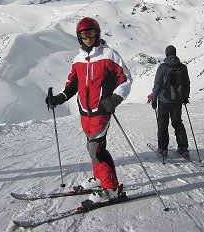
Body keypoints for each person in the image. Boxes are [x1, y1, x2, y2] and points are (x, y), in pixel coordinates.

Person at [45, 17, 132, 203]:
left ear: (97, 33)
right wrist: (59, 98)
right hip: (85, 112)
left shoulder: (109, 55)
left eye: (91, 33)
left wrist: (115, 99)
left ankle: (112, 188)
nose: (88, 37)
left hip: (101, 111)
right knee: (92, 147)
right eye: (84, 34)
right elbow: (73, 84)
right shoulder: (78, 60)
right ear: (79, 36)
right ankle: (100, 178)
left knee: (96, 150)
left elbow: (125, 78)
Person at [151, 45, 190, 157]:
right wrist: (185, 97)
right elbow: (187, 83)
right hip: (178, 101)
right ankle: (183, 148)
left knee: (163, 124)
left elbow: (157, 85)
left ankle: (163, 149)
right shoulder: (183, 67)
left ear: (167, 54)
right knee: (177, 123)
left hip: (164, 101)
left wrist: (154, 99)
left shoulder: (163, 67)